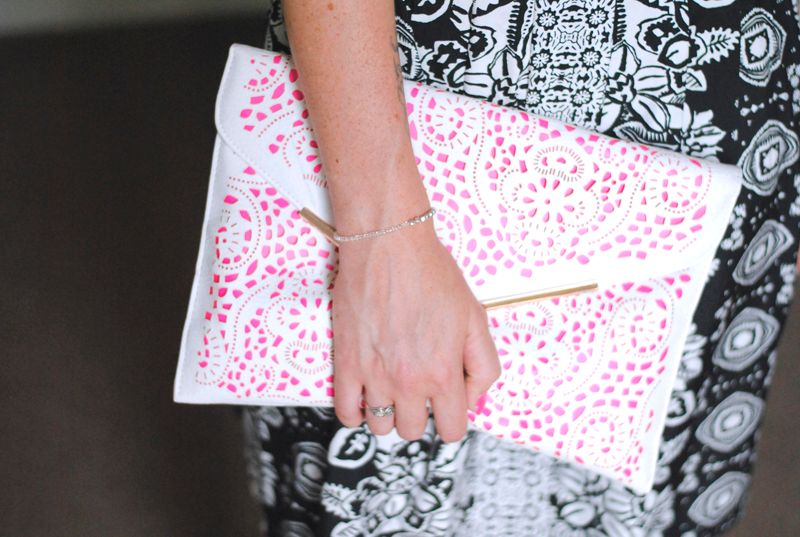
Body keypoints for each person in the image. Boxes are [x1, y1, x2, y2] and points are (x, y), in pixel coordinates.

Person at [239, 0, 800, 535]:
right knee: (383, 482)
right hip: (416, 149)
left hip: (724, 139)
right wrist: (382, 239)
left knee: (649, 488)